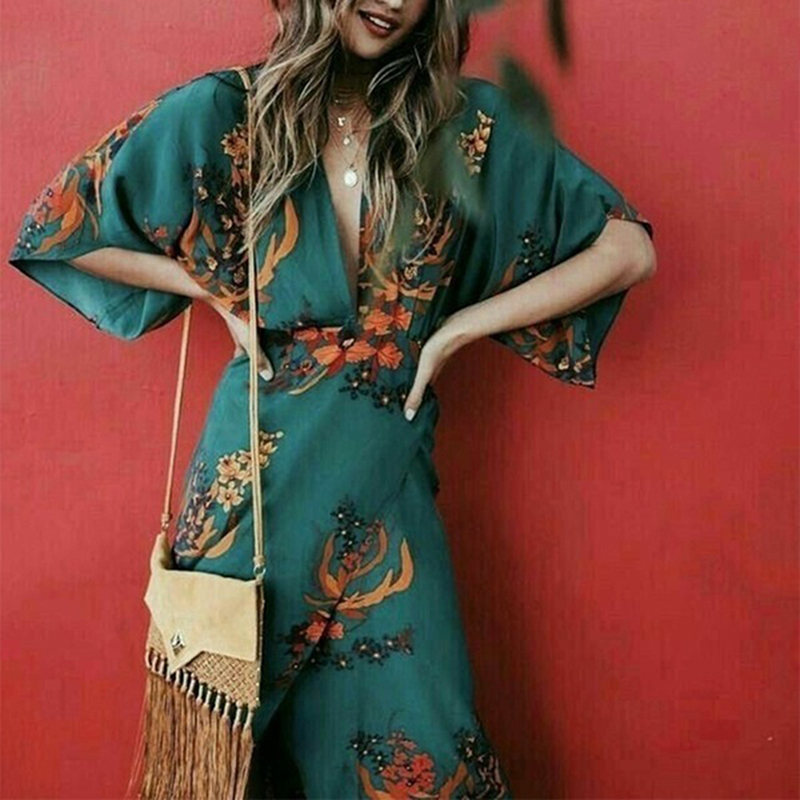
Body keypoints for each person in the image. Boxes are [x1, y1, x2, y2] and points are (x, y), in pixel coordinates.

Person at [7, 0, 656, 797]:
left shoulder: (464, 127)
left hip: (386, 487)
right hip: (253, 498)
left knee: (424, 751)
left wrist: (455, 330)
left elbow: (627, 249)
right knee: (220, 773)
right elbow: (60, 229)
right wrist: (213, 293)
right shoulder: (230, 112)